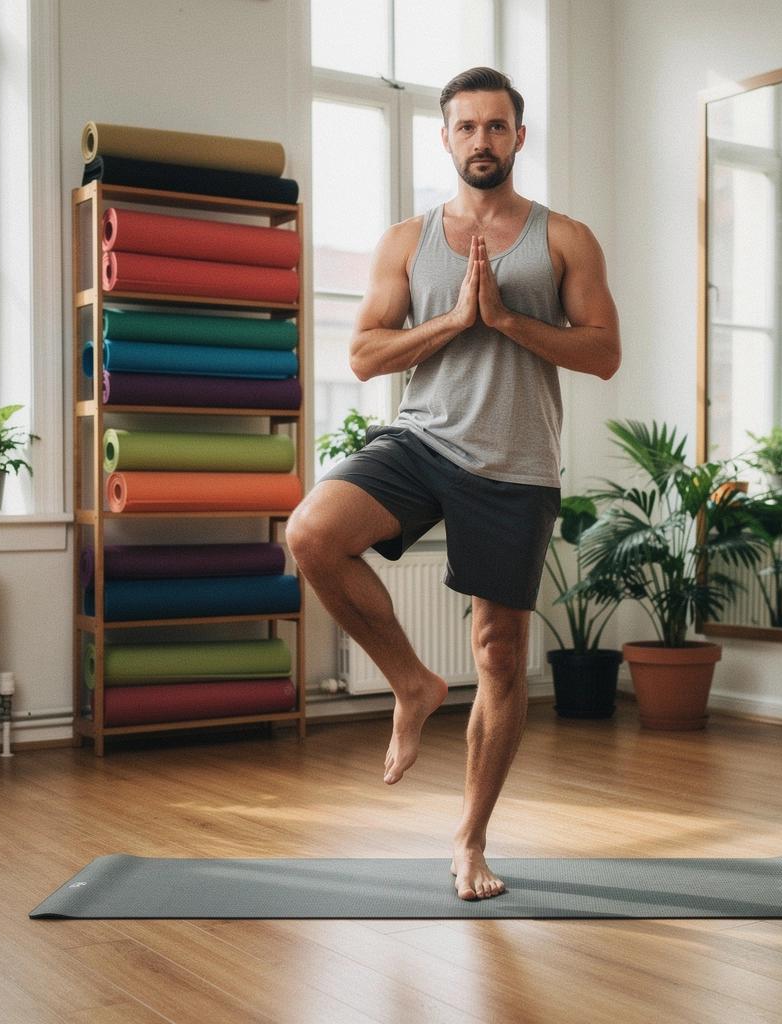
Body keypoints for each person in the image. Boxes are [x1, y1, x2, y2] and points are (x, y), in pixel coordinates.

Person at [286, 67, 620, 901]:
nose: (482, 140)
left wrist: (508, 321)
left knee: (501, 655)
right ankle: (412, 682)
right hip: (420, 438)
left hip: (515, 460)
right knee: (312, 533)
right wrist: (454, 322)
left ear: (518, 136)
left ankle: (470, 842)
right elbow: (363, 356)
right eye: (466, 127)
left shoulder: (565, 239)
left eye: (496, 126)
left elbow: (605, 353)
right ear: (445, 138)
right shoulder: (407, 240)